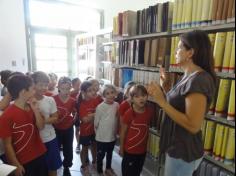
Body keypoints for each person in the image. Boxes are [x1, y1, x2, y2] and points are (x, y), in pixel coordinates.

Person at [148, 30, 216, 176]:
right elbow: (180, 107)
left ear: (190, 53)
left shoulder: (199, 80)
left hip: (184, 150)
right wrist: (165, 87)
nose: (175, 52)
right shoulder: (188, 75)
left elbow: (193, 125)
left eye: (179, 48)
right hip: (175, 145)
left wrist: (162, 102)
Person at [0, 75, 47, 176]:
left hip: (40, 154)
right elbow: (7, 144)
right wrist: (16, 164)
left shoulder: (32, 106)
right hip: (23, 160)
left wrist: (36, 110)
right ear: (23, 92)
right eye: (32, 89)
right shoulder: (7, 116)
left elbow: (41, 127)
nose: (34, 92)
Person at [31, 71, 62, 176]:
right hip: (34, 141)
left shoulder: (50, 100)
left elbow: (55, 118)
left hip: (50, 138)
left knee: (52, 167)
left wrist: (41, 121)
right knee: (39, 169)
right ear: (33, 84)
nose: (44, 88)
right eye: (41, 85)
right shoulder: (28, 101)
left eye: (46, 85)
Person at [120, 85, 153, 176]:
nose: (141, 98)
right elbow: (123, 132)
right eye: (137, 96)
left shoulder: (149, 111)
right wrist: (121, 148)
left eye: (143, 95)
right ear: (132, 99)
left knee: (137, 172)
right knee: (127, 173)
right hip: (130, 151)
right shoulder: (128, 113)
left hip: (142, 151)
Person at [94, 84, 119, 176]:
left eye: (112, 92)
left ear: (115, 93)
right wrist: (98, 134)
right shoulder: (100, 107)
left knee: (110, 154)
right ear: (103, 96)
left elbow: (117, 118)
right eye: (107, 93)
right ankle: (99, 170)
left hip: (112, 136)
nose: (110, 95)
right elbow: (96, 123)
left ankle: (108, 168)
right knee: (100, 155)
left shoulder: (116, 105)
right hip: (102, 137)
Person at [53, 77, 76, 176]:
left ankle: (67, 166)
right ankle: (55, 165)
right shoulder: (53, 99)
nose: (66, 91)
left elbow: (75, 112)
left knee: (68, 148)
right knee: (56, 148)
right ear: (58, 87)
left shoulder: (72, 100)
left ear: (70, 88)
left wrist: (74, 120)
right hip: (55, 128)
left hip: (68, 128)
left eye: (68, 89)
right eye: (63, 89)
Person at [77, 81, 97, 176]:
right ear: (84, 92)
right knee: (84, 149)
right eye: (89, 90)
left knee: (94, 146)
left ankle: (94, 162)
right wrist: (95, 114)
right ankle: (84, 166)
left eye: (93, 90)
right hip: (85, 131)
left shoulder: (95, 101)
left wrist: (91, 115)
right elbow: (85, 120)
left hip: (95, 130)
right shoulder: (82, 104)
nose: (93, 92)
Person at [71, 78, 81, 154]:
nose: (79, 86)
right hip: (76, 114)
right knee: (77, 129)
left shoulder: (83, 92)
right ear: (73, 85)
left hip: (83, 113)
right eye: (77, 84)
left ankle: (85, 143)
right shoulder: (71, 93)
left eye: (80, 84)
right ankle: (78, 144)